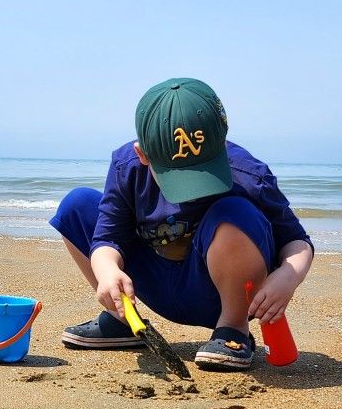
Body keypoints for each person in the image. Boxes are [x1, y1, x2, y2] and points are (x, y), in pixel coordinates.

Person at [49, 78, 314, 371]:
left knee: (234, 211)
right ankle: (123, 318)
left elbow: (297, 241)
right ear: (143, 154)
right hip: (153, 284)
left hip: (220, 292)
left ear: (222, 141)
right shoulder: (128, 168)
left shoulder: (248, 174)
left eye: (204, 170)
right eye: (178, 174)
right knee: (77, 205)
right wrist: (107, 272)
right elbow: (106, 238)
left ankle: (233, 330)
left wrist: (288, 277)